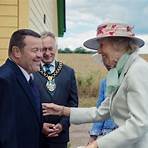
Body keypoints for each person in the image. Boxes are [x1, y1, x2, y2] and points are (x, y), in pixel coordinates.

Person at [42, 22, 148, 148]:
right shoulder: (122, 73)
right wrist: (63, 110)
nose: (98, 50)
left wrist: (96, 145)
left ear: (118, 45)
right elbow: (100, 112)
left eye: (102, 45)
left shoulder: (137, 70)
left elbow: (139, 124)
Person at [33, 32, 78, 148]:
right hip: (36, 135)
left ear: (56, 48)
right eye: (43, 49)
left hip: (60, 136)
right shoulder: (31, 71)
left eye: (50, 49)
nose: (47, 53)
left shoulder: (68, 72)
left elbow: (73, 104)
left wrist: (62, 125)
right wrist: (40, 125)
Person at [0, 29, 43, 148]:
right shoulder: (4, 81)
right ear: (17, 52)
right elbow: (5, 134)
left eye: (41, 50)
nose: (40, 55)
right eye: (35, 50)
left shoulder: (29, 77)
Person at [88, 79, 117, 144]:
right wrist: (93, 136)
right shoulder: (104, 82)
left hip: (126, 135)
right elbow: (100, 112)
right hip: (108, 134)